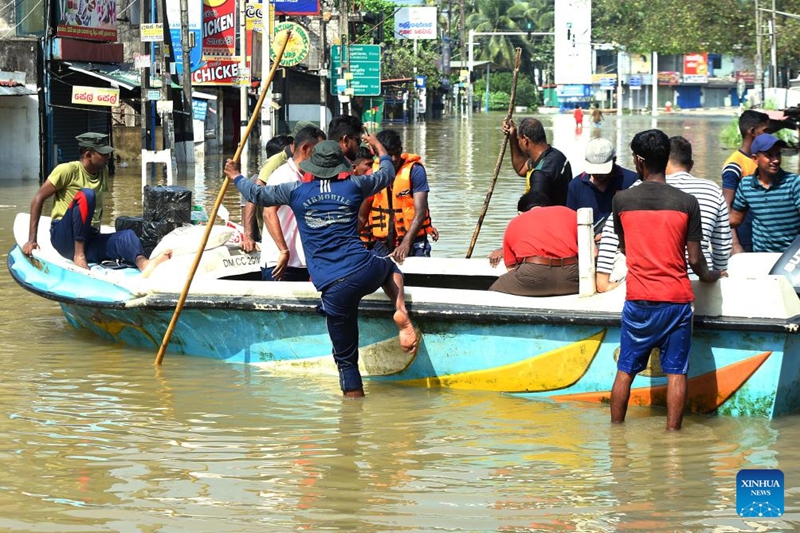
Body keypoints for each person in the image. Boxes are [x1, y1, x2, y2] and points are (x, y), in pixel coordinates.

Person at [226, 137, 418, 398]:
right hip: (364, 269)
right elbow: (386, 174)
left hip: (333, 286)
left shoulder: (295, 191)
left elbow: (256, 194)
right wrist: (378, 148)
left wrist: (236, 176)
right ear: (341, 165)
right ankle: (399, 310)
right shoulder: (355, 186)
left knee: (346, 361)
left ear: (312, 166)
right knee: (389, 265)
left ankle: (351, 419)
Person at [608, 129, 723, 431]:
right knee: (676, 373)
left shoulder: (621, 200)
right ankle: (674, 439)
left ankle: (616, 435)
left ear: (640, 160)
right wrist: (712, 276)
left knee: (625, 371)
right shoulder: (686, 202)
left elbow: (624, 247)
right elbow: (696, 259)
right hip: (676, 300)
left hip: (639, 300)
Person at [21, 133, 170, 277]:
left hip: (89, 238)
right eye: (103, 154)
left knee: (127, 236)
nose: (108, 157)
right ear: (88, 155)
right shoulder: (67, 170)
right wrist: (32, 240)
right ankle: (79, 255)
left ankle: (144, 264)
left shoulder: (103, 171)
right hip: (64, 238)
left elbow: (97, 210)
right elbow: (38, 198)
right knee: (87, 195)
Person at [595, 136, 733, 292]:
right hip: (697, 282)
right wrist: (715, 274)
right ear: (691, 164)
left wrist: (603, 282)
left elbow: (611, 238)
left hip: (644, 285)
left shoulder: (632, 193)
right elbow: (722, 245)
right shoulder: (711, 190)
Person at [260, 125, 326, 281]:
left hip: (304, 263)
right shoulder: (283, 175)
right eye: (319, 151)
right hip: (280, 263)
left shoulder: (312, 177)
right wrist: (283, 250)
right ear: (305, 148)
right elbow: (268, 213)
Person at [359, 129, 435, 261]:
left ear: (401, 149)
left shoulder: (415, 171)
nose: (394, 159)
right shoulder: (372, 174)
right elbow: (362, 216)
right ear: (378, 154)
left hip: (413, 240)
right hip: (381, 243)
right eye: (389, 155)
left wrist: (406, 243)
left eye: (396, 153)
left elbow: (420, 212)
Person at [488, 191, 579, 297]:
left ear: (520, 213)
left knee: (493, 292)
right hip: (573, 276)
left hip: (533, 277)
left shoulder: (516, 221)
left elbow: (511, 268)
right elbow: (593, 252)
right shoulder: (570, 213)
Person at [241, 123, 315, 253]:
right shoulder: (276, 163)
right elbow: (254, 195)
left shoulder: (305, 166)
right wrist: (248, 236)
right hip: (276, 240)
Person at [730, 133, 800, 253]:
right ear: (755, 159)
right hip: (761, 256)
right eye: (769, 155)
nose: (776, 160)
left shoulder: (794, 183)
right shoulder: (746, 185)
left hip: (791, 257)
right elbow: (734, 220)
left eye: (778, 154)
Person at [721, 110, 769, 254]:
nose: (768, 136)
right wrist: (735, 244)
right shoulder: (734, 165)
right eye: (765, 131)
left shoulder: (760, 161)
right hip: (745, 238)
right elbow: (726, 207)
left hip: (762, 238)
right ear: (752, 131)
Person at [566, 137, 638, 225]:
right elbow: (570, 222)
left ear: (614, 160)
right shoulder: (575, 186)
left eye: (602, 170)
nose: (598, 174)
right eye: (594, 169)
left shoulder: (632, 181)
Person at [503, 116, 572, 205]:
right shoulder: (557, 155)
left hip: (549, 217)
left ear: (525, 141)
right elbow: (521, 168)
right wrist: (512, 137)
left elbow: (534, 208)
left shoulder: (541, 173)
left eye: (519, 139)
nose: (518, 142)